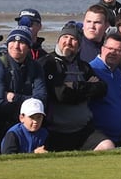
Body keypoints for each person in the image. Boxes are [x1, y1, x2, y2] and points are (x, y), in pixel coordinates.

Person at [41, 23, 114, 152]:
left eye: (73, 39)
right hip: (55, 132)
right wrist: (87, 87)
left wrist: (73, 86)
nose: (68, 42)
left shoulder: (84, 67)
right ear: (59, 40)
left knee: (107, 146)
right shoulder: (47, 63)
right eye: (65, 37)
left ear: (79, 45)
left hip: (83, 131)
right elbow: (61, 95)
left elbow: (102, 89)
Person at [0, 27, 47, 154]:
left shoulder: (35, 66)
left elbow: (41, 98)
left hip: (27, 125)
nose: (16, 46)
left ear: (28, 47)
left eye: (22, 42)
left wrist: (14, 97)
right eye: (12, 41)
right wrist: (29, 101)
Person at [88, 35, 121, 145]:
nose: (113, 53)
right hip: (99, 138)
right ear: (102, 48)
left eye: (118, 50)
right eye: (110, 49)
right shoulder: (91, 69)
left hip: (119, 138)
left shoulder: (119, 74)